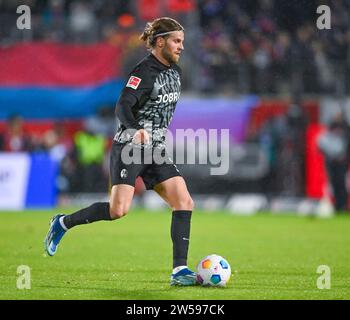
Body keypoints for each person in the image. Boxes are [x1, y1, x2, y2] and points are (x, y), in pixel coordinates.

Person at [44, 17, 197, 286]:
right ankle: (63, 223)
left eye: (182, 41)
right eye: (176, 41)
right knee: (118, 211)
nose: (181, 47)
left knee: (183, 201)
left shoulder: (175, 71)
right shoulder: (143, 72)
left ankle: (179, 271)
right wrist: (136, 128)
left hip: (156, 148)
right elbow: (122, 106)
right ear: (159, 42)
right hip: (130, 146)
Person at [317, 111, 350, 212]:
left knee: (341, 184)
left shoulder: (345, 129)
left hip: (341, 162)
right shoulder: (330, 127)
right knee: (333, 183)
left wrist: (344, 157)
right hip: (331, 161)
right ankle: (337, 205)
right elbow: (322, 145)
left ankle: (343, 205)